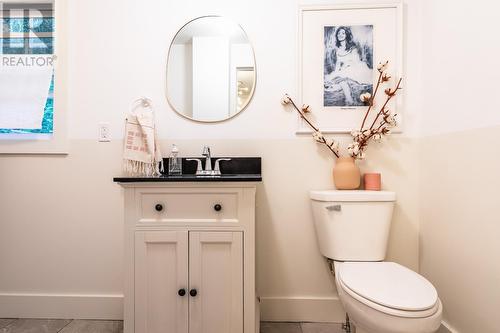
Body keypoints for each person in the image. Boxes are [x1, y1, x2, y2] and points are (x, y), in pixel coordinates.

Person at [324, 26, 372, 106]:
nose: (340, 35)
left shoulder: (353, 48)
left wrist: (345, 67)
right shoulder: (338, 49)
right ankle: (350, 100)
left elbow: (356, 62)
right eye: (339, 33)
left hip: (356, 68)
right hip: (344, 69)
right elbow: (338, 64)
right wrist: (335, 73)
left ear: (347, 35)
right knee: (336, 78)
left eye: (343, 33)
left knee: (342, 78)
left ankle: (349, 100)